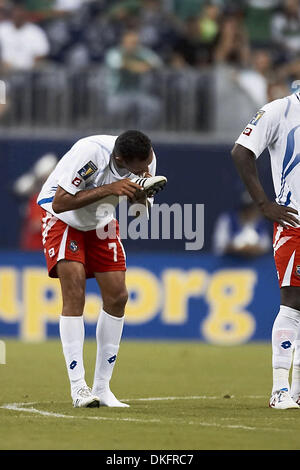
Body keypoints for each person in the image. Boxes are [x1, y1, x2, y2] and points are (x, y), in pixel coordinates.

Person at [37, 130, 167, 408]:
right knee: (75, 295)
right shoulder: (91, 153)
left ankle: (102, 388)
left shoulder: (147, 158)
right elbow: (60, 201)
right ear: (120, 159)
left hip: (100, 220)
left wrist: (140, 198)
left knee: (118, 297)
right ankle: (78, 388)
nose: (146, 169)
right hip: (63, 218)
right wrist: (110, 189)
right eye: (139, 167)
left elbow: (140, 213)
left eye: (147, 163)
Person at [231, 90, 300, 409]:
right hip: (294, 222)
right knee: (293, 300)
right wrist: (263, 203)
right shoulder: (280, 110)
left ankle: (297, 390)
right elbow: (241, 151)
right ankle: (279, 390)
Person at [212, 191, 272, 257]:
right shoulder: (227, 219)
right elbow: (219, 246)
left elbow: (266, 246)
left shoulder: (260, 222)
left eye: (251, 209)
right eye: (246, 209)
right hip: (229, 263)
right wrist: (237, 249)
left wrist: (253, 249)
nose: (248, 212)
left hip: (255, 264)